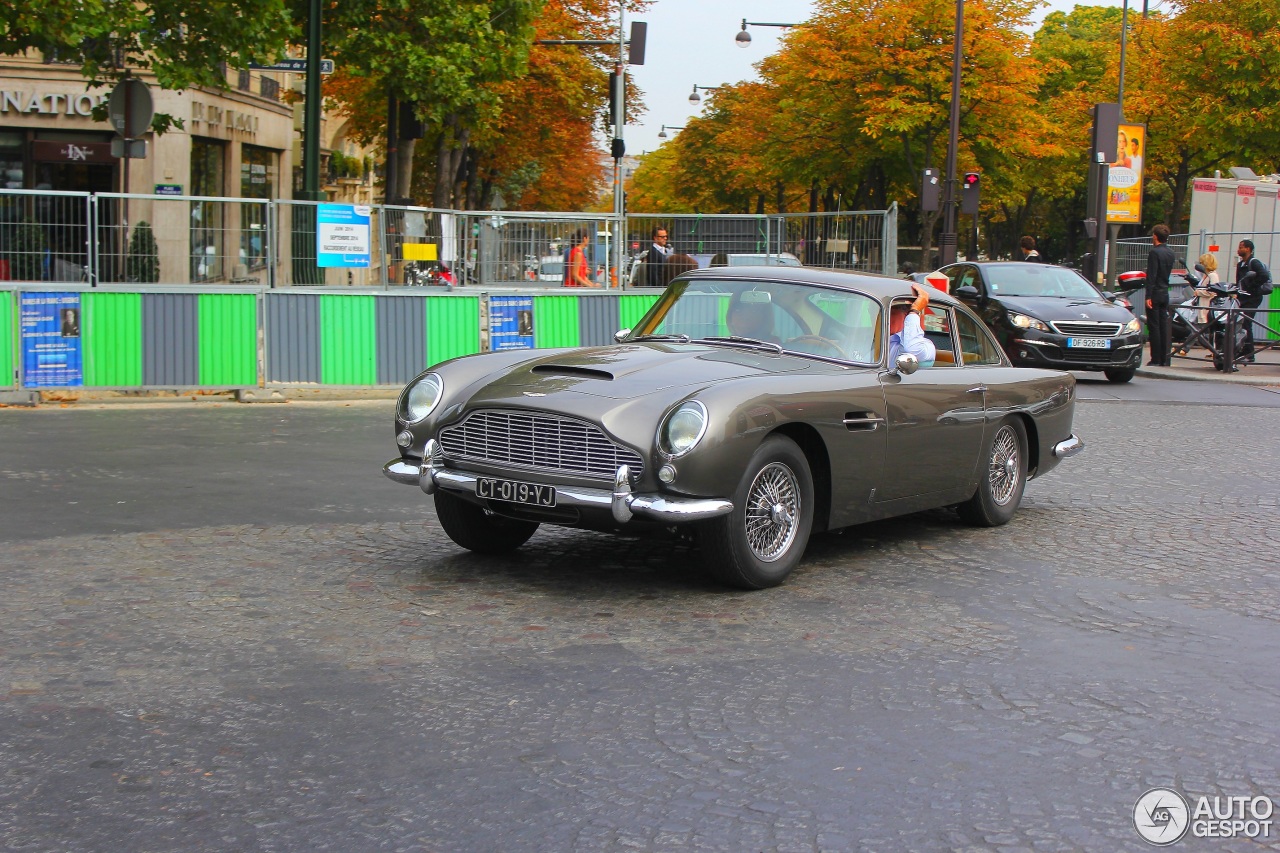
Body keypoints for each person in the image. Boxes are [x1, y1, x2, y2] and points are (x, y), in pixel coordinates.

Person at [1236, 239, 1272, 362]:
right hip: (1242, 297)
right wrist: (1237, 292)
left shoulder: (1254, 262)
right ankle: (1239, 349)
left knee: (1246, 323)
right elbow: (1239, 281)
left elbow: (1264, 276)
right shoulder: (1240, 264)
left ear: (1248, 249)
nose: (1238, 249)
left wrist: (1252, 286)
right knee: (1239, 323)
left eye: (1241, 247)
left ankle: (1249, 354)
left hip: (1253, 298)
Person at [1145, 224, 1176, 366]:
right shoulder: (1170, 253)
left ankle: (1156, 358)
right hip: (1165, 292)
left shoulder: (1154, 253)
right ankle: (1165, 358)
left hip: (1155, 292)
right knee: (1164, 326)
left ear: (1155, 237)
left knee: (1154, 326)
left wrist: (1148, 296)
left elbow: (1152, 275)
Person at [887, 283, 936, 368]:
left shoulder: (926, 345)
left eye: (892, 313)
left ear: (906, 315)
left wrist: (915, 310)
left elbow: (910, 350)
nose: (885, 317)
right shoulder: (866, 339)